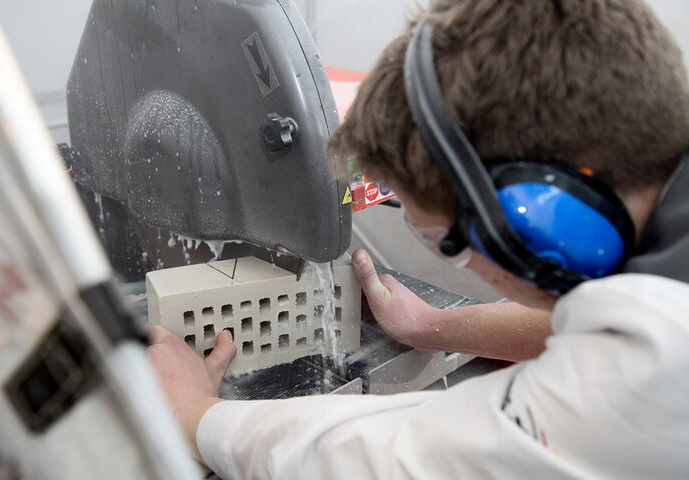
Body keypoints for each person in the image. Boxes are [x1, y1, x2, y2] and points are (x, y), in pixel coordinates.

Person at [147, 0, 689, 478]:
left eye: (445, 244)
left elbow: (397, 458)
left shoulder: (647, 377)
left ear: (539, 220)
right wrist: (435, 326)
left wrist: (196, 414)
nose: (461, 265)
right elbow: (609, 318)